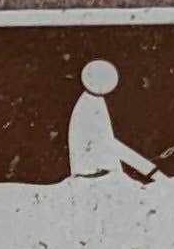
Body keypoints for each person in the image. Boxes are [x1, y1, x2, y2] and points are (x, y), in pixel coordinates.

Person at [63, 57, 156, 191]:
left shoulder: (91, 102)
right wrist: (150, 170)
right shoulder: (89, 105)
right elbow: (109, 145)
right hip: (97, 179)